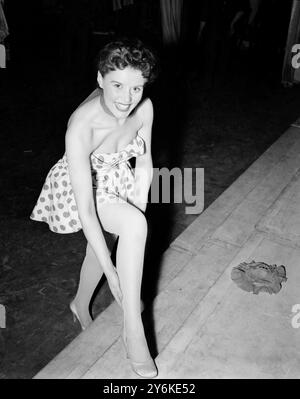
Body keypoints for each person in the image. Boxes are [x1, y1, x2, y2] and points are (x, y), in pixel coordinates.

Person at [30, 38, 158, 378]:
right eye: (117, 85)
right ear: (100, 80)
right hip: (81, 185)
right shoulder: (83, 124)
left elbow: (144, 164)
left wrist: (139, 206)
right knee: (129, 229)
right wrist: (114, 275)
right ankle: (134, 329)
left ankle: (79, 303)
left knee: (116, 238)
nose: (126, 98)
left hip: (117, 176)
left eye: (136, 87)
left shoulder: (143, 107)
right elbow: (87, 209)